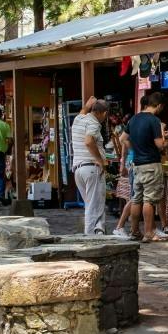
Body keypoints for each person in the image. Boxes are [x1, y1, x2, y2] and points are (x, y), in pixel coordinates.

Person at [117, 89, 168, 242]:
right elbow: (159, 144)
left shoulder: (134, 119)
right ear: (159, 106)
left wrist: (135, 148)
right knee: (149, 200)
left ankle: (135, 231)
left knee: (136, 199)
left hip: (137, 164)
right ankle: (149, 232)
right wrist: (166, 142)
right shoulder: (154, 120)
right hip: (151, 163)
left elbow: (122, 138)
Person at [69, 98, 112, 235]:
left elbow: (82, 112)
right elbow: (89, 141)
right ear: (104, 113)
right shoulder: (93, 123)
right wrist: (99, 159)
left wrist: (86, 106)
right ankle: (90, 237)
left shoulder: (79, 119)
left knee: (92, 204)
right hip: (91, 168)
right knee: (93, 207)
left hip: (79, 170)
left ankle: (99, 232)